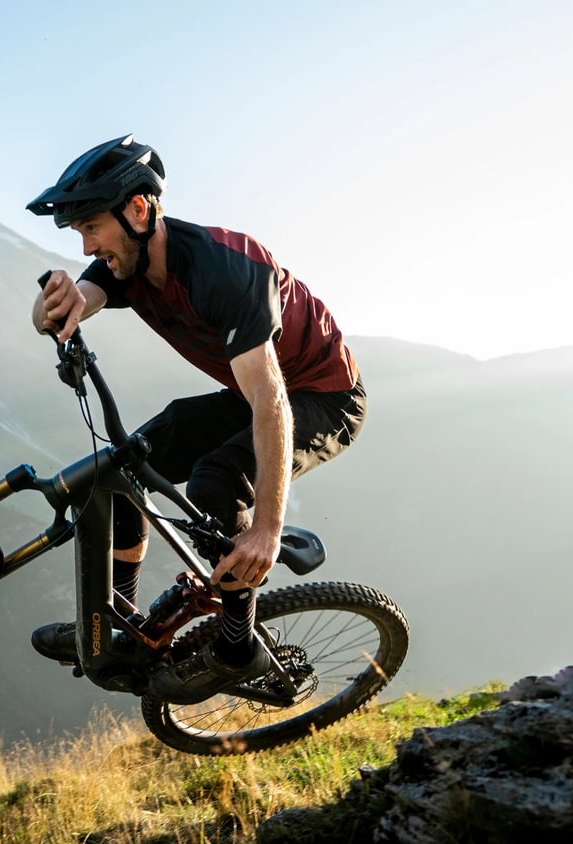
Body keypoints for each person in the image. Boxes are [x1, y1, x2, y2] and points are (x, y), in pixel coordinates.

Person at [25, 135, 365, 691]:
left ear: (137, 211)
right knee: (120, 469)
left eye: (91, 228)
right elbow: (72, 308)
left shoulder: (228, 271)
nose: (86, 248)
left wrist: (266, 530)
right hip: (251, 391)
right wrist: (50, 308)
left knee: (218, 478)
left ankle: (238, 647)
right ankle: (120, 626)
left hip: (323, 397)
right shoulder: (126, 264)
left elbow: (271, 403)